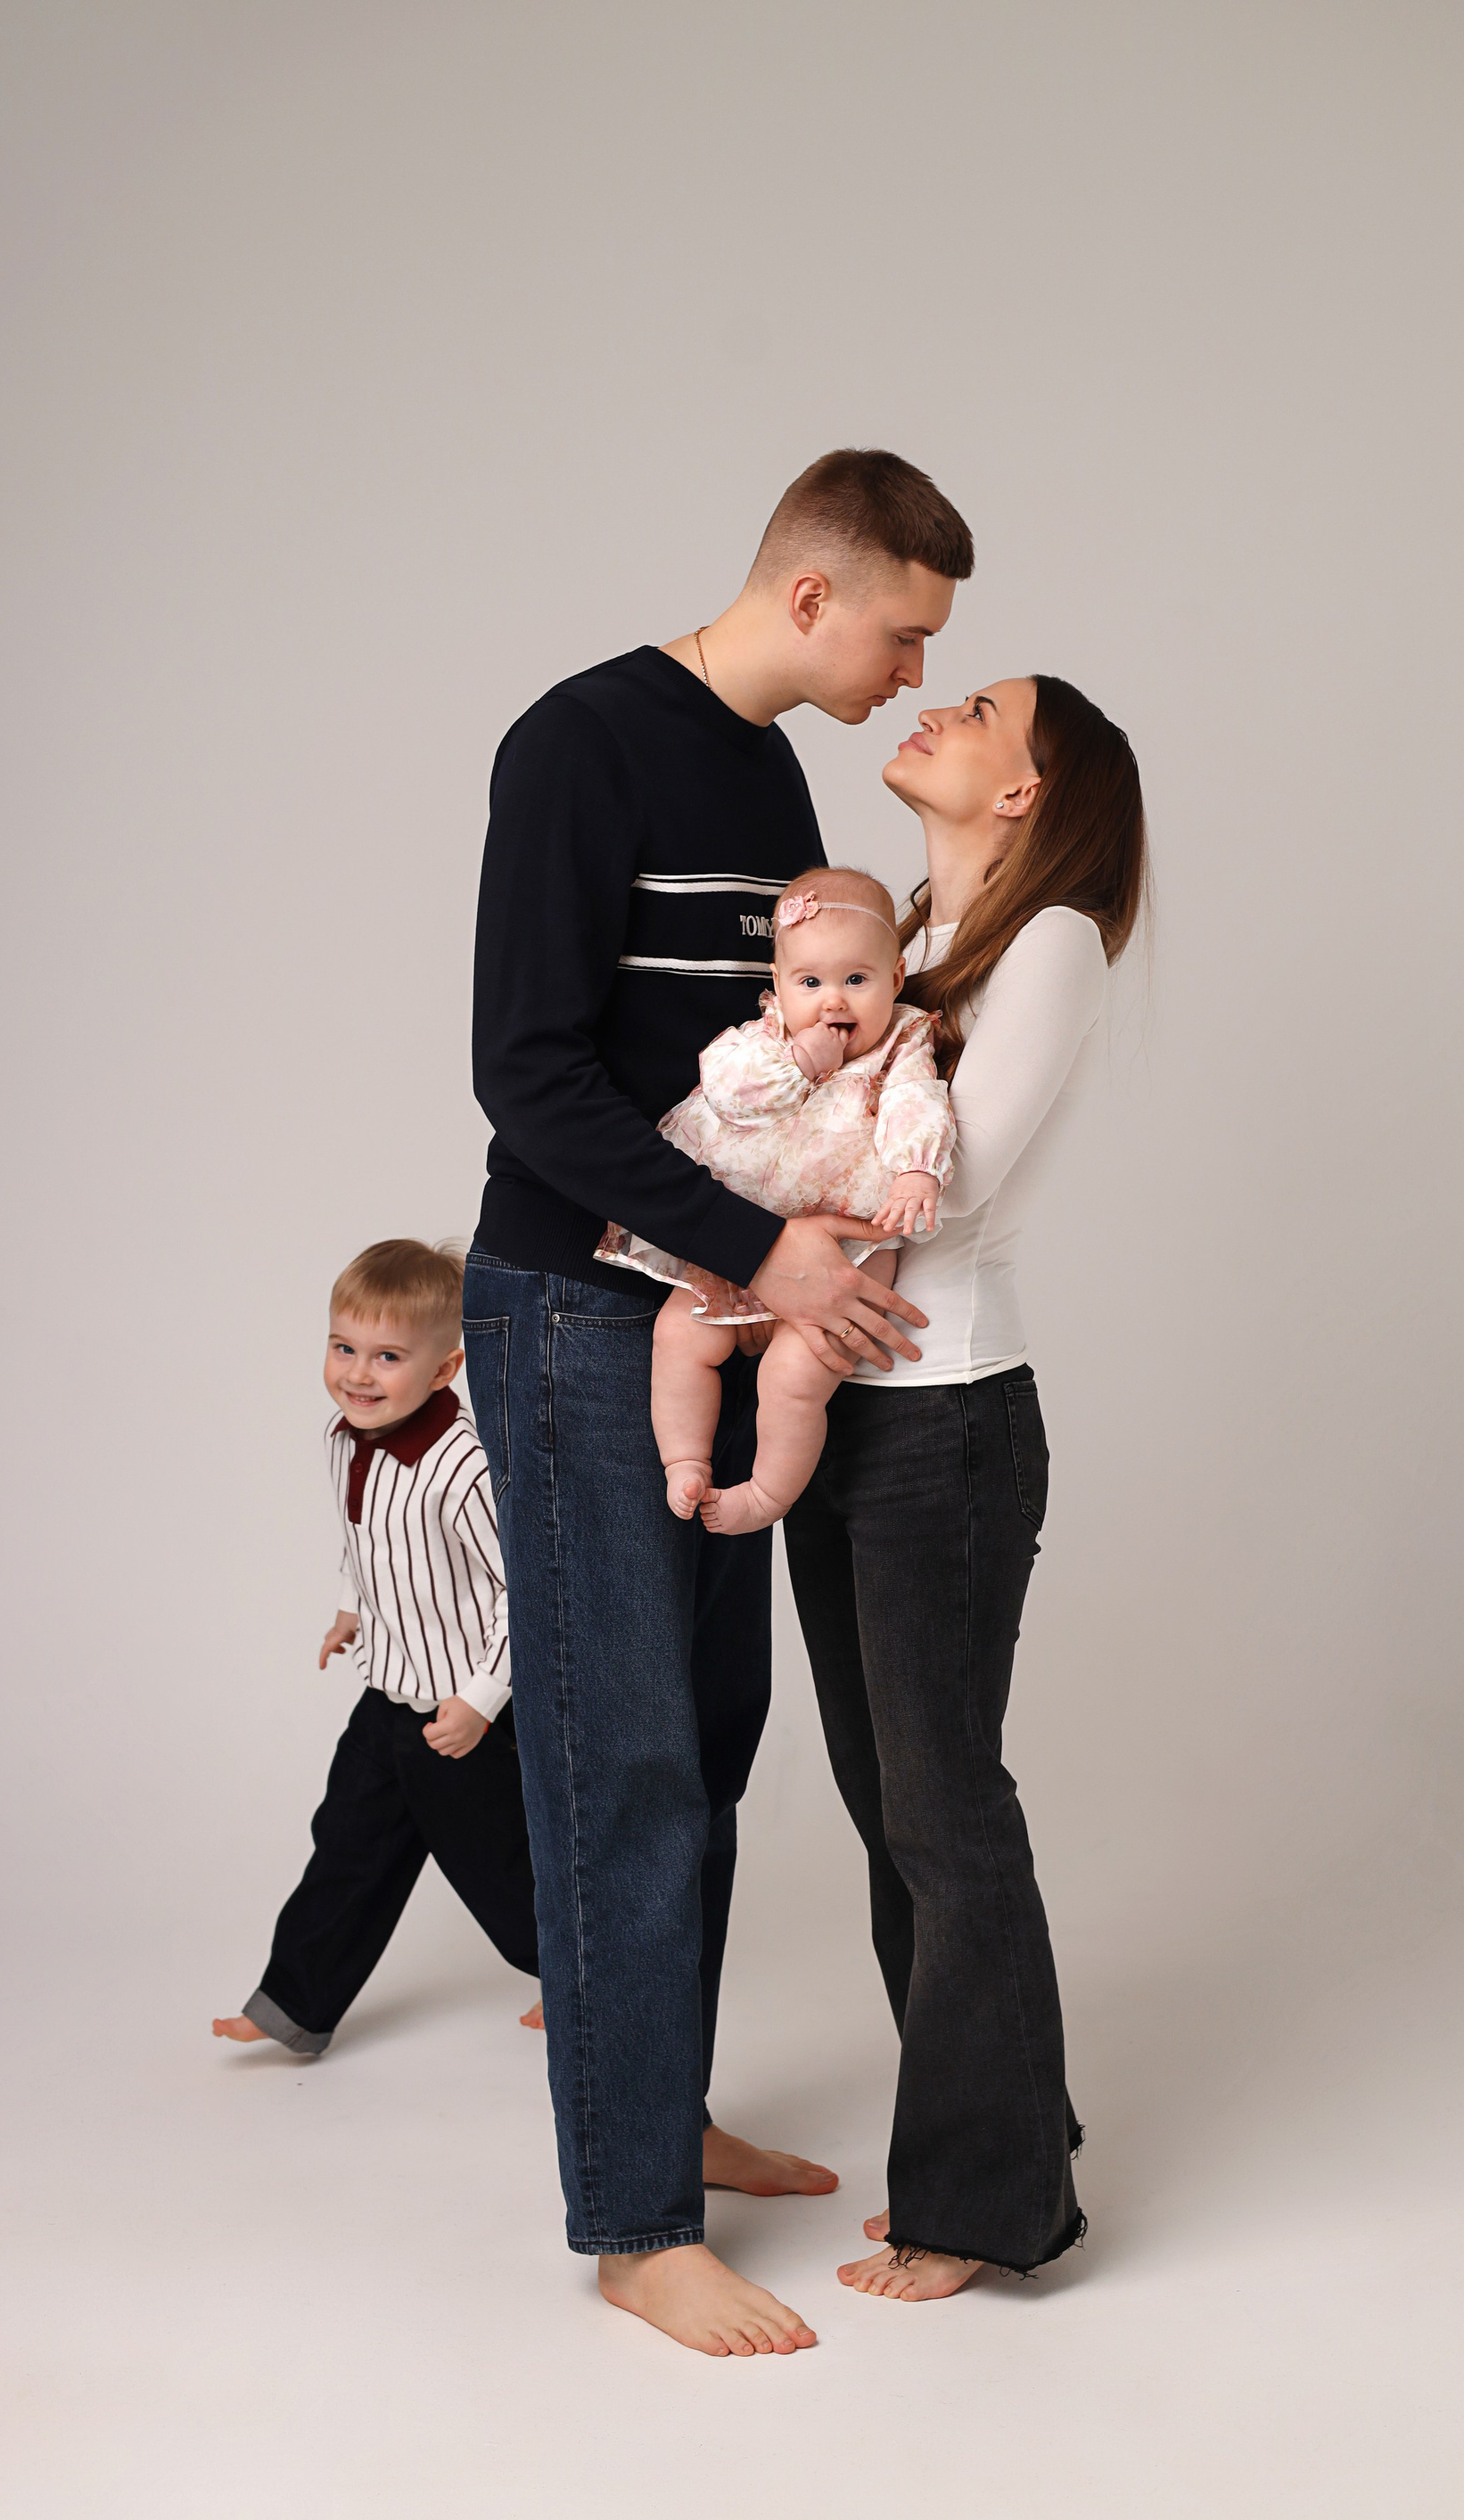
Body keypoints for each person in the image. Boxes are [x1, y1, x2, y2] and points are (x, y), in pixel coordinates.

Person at [466, 450, 974, 2357]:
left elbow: (783, 1054)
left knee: (712, 1731)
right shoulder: (579, 744)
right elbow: (526, 1072)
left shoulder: (772, 783)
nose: (913, 675)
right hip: (576, 1317)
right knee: (622, 1761)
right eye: (904, 633)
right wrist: (765, 1258)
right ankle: (633, 2224)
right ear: (814, 593)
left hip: (719, 1319)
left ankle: (657, 2105)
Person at [783, 675, 1147, 2300]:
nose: (936, 702)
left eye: (983, 707)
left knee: (940, 1807)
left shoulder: (1050, 936)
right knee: (892, 1809)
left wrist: (778, 1236)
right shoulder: (915, 933)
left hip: (945, 1424)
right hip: (847, 1411)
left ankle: (987, 2205)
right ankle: (1007, 2128)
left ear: (1025, 791)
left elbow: (948, 1177)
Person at [212, 1239, 543, 2060]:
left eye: (388, 1357)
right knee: (348, 1842)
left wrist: (481, 1700)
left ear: (444, 1369)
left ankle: (582, 1979)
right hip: (389, 1695)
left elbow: (524, 1589)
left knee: (501, 1866)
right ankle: (294, 2004)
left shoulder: (463, 1467)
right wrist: (349, 1609)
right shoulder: (343, 1436)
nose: (358, 1374)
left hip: (462, 1713)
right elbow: (369, 1544)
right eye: (344, 1347)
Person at [596, 866, 956, 1535]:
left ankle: (767, 1495)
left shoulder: (902, 1044)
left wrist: (916, 1170)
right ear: (778, 983)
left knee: (795, 1374)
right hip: (742, 1235)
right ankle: (684, 1459)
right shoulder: (763, 1042)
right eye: (810, 982)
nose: (833, 1002)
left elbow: (917, 1102)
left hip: (848, 1242)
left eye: (857, 979)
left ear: (897, 978)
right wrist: (801, 1062)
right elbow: (727, 1093)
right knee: (679, 1335)